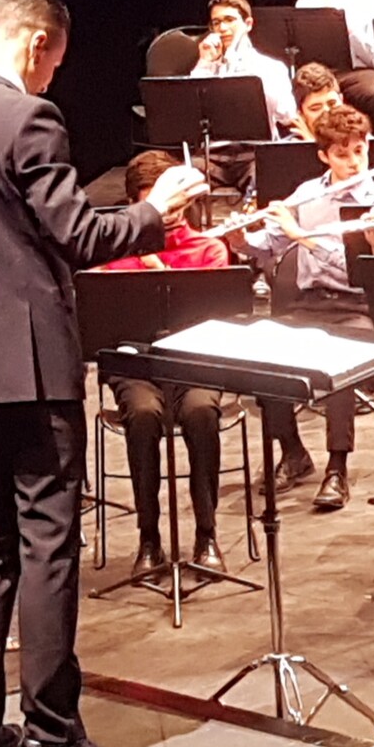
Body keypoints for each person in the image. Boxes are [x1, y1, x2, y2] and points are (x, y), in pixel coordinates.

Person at [0, 0, 207, 747]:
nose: (51, 80)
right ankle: (50, 735)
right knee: (48, 549)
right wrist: (157, 210)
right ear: (37, 43)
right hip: (33, 369)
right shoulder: (27, 118)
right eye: (54, 65)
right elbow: (78, 234)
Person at [88, 152, 234, 572]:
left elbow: (219, 324)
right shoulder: (111, 256)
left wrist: (159, 268)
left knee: (201, 411)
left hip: (195, 364)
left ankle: (206, 534)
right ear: (135, 203)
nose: (169, 210)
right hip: (136, 365)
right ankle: (148, 538)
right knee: (143, 414)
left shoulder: (208, 249)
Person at [247, 103, 374, 512]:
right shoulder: (308, 193)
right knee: (261, 356)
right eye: (342, 154)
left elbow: (355, 267)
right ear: (324, 155)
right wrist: (240, 238)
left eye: (359, 151)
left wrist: (301, 235)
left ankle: (337, 469)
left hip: (357, 306)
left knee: (337, 363)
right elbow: (269, 243)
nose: (353, 162)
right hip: (308, 304)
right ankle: (293, 452)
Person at [189, 0, 300, 136]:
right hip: (214, 147)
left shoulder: (270, 67)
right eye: (216, 23)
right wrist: (204, 62)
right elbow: (192, 109)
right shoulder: (208, 67)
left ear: (248, 24)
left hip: (257, 146)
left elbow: (287, 116)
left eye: (229, 20)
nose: (222, 28)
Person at [291, 61, 345, 144]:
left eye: (332, 104)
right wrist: (309, 145)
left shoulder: (361, 139)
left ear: (341, 100)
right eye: (315, 108)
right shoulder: (288, 148)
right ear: (301, 114)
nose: (326, 112)